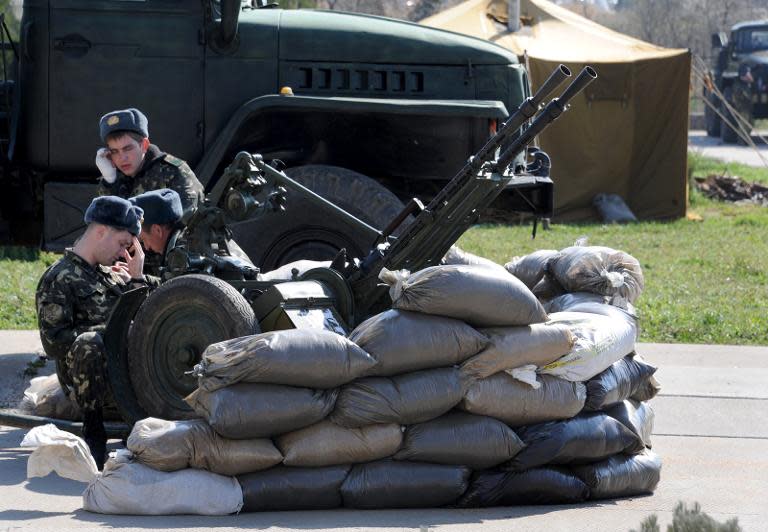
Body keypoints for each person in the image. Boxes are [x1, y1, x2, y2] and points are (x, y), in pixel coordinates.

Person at [35, 196, 159, 469]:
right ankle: (94, 435)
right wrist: (114, 332)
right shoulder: (59, 277)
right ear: (101, 231)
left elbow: (150, 310)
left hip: (123, 371)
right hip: (87, 379)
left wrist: (137, 278)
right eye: (123, 244)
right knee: (89, 342)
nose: (123, 253)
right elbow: (55, 342)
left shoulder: (110, 273)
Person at [95, 108, 204, 220]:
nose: (122, 158)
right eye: (114, 151)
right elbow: (107, 221)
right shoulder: (117, 175)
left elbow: (190, 221)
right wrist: (110, 181)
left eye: (127, 148)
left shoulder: (173, 173)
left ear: (144, 145)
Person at [129, 188, 257, 279]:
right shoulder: (197, 234)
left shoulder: (183, 256)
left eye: (143, 240)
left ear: (157, 230)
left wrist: (137, 278)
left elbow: (173, 301)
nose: (146, 247)